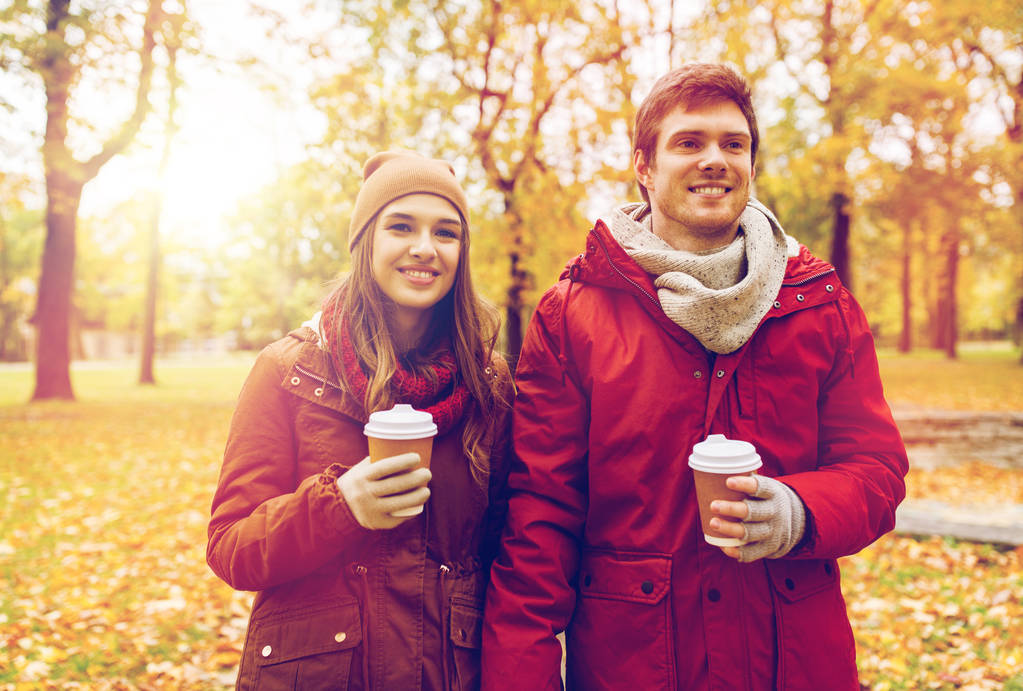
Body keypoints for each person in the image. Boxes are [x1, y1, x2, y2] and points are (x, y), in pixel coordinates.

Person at [481, 63, 908, 690]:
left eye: (733, 144)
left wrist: (799, 510)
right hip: (636, 665)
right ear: (644, 166)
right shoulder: (574, 314)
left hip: (792, 663)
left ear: (752, 167)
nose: (715, 159)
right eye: (689, 143)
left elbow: (876, 467)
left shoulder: (819, 304)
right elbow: (541, 517)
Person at [208, 150, 514, 690]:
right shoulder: (288, 371)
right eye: (401, 226)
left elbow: (507, 550)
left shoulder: (489, 384)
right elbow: (231, 547)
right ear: (365, 240)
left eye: (446, 232)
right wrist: (340, 506)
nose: (424, 248)